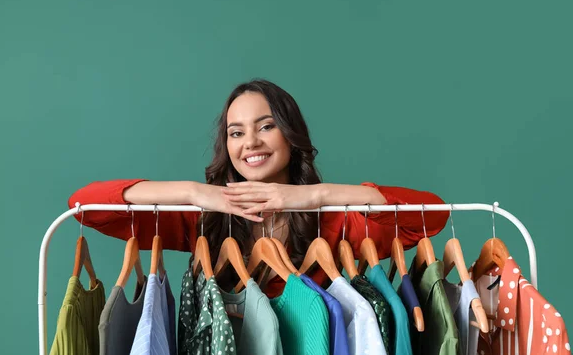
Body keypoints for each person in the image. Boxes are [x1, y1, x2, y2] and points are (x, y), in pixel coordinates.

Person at [69, 79, 448, 297]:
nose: (250, 142)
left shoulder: (335, 223)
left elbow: (432, 216)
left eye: (265, 126)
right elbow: (85, 206)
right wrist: (194, 193)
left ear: (290, 133)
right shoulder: (204, 220)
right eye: (236, 132)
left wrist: (314, 196)